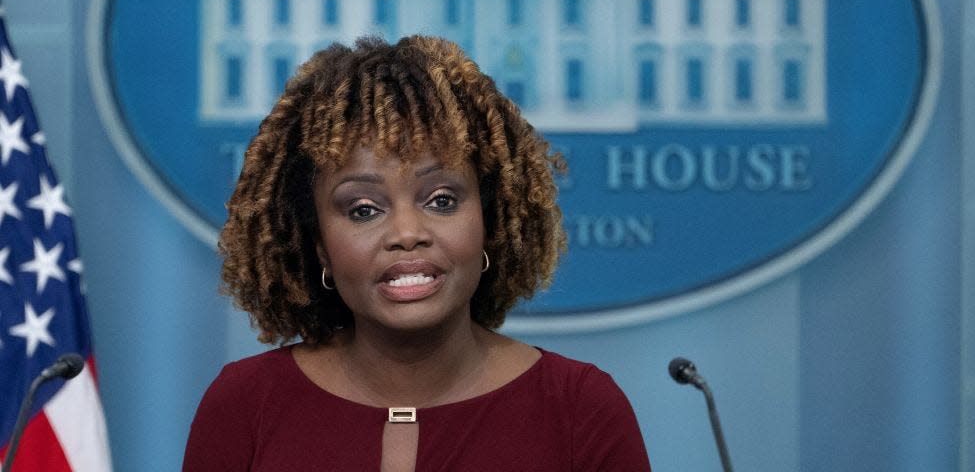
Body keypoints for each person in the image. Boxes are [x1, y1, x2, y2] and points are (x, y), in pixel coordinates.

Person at [182, 35, 651, 471]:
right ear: (320, 246)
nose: (407, 233)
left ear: (488, 221)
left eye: (441, 200)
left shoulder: (580, 409)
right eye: (363, 209)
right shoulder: (245, 406)